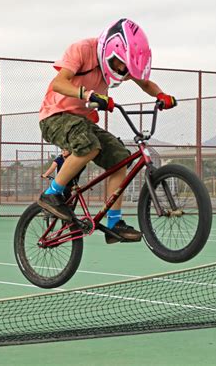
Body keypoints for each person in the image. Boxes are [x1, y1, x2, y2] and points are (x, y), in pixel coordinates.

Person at [37, 18, 177, 244]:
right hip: (55, 116)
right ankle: (51, 194)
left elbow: (145, 82)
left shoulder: (120, 63)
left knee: (120, 159)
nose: (121, 71)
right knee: (89, 146)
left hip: (83, 121)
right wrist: (89, 95)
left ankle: (114, 223)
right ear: (110, 49)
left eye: (125, 68)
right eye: (119, 65)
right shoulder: (82, 49)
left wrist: (161, 95)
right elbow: (59, 83)